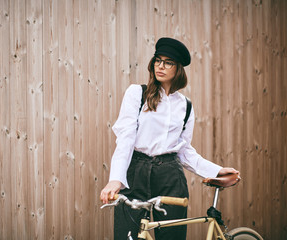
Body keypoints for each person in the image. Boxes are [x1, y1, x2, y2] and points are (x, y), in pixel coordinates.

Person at [100, 37, 239, 240]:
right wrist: (116, 179)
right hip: (135, 172)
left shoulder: (186, 106)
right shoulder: (137, 94)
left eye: (168, 62)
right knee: (126, 236)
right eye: (158, 60)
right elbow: (126, 139)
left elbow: (183, 151)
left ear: (178, 69)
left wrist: (216, 170)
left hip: (170, 177)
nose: (161, 66)